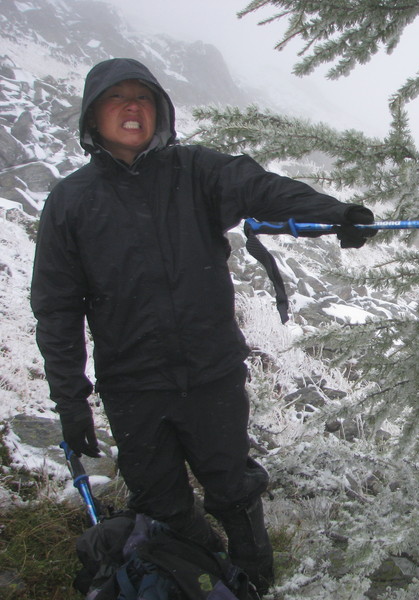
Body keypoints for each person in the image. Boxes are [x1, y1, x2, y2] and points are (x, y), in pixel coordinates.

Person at [30, 57, 375, 595]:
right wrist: (70, 400)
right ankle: (202, 576)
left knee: (234, 493)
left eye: (142, 97)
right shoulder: (70, 202)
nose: (130, 107)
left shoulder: (197, 172)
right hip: (134, 388)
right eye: (115, 98)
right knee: (159, 506)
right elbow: (56, 307)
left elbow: (262, 189)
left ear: (159, 111)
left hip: (212, 376)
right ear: (92, 116)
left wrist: (335, 213)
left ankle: (254, 584)